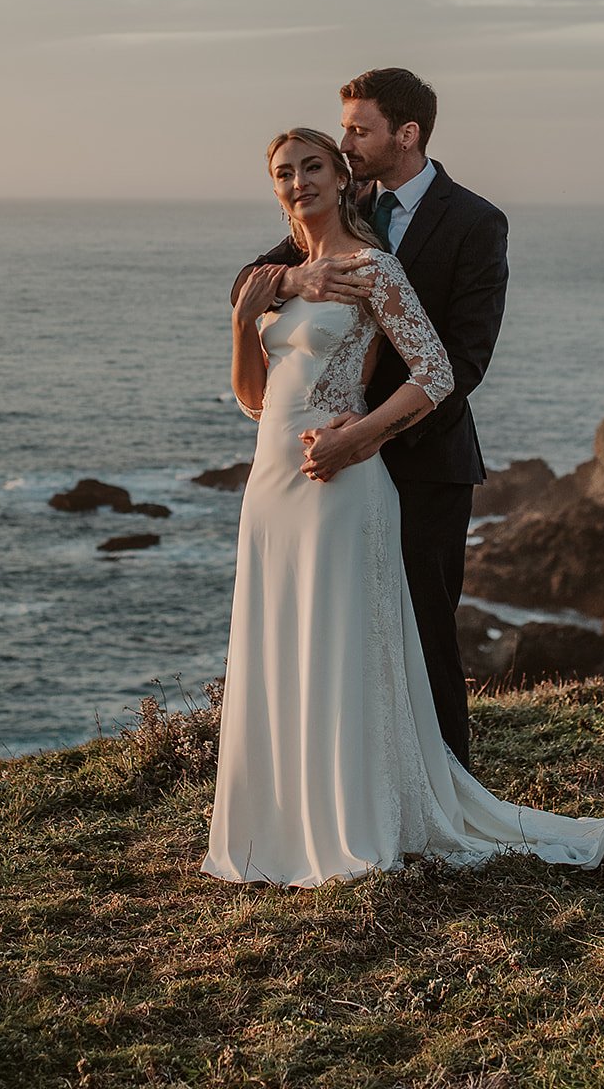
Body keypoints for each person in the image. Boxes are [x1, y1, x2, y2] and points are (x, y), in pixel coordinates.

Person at [202, 127, 604, 885]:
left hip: (340, 484)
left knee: (341, 647)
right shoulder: (272, 276)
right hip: (272, 487)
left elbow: (434, 372)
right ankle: (282, 823)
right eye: (283, 173)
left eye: (312, 167)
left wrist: (361, 437)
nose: (298, 182)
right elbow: (255, 400)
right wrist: (243, 321)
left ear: (341, 180)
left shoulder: (374, 269)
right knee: (282, 643)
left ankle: (352, 823)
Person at [231, 67, 507, 769]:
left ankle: (439, 787)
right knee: (328, 632)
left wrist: (364, 436)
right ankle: (331, 779)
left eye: (359, 129)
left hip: (423, 459)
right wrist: (296, 279)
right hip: (309, 462)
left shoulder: (474, 222)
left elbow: (462, 363)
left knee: (421, 634)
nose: (346, 141)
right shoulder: (337, 204)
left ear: (405, 134)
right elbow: (250, 283)